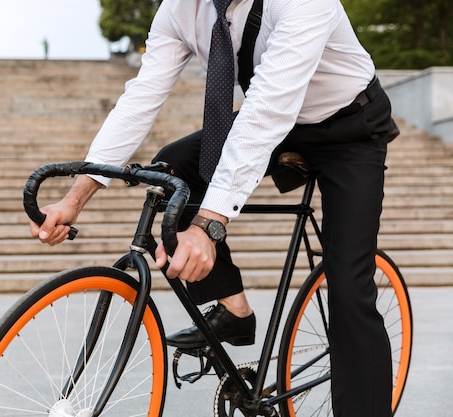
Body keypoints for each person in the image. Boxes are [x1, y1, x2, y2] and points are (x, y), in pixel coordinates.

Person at [30, 1, 399, 416]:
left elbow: (267, 110)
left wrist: (209, 225)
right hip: (282, 121)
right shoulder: (181, 8)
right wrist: (75, 196)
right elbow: (142, 97)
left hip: (349, 127)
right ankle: (233, 309)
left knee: (350, 292)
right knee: (173, 168)